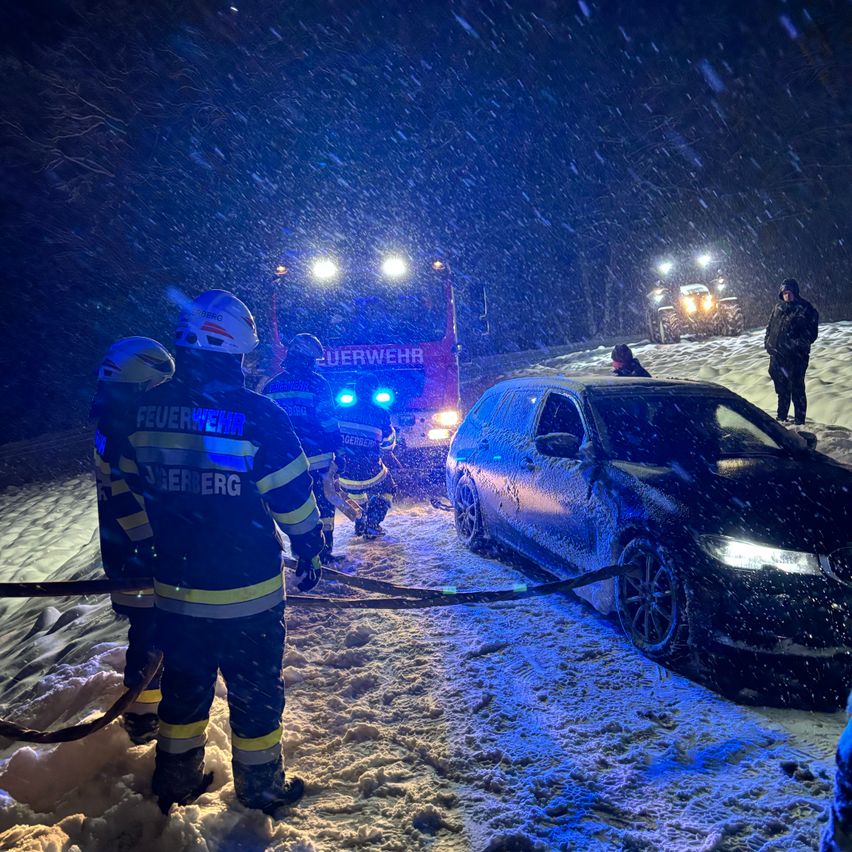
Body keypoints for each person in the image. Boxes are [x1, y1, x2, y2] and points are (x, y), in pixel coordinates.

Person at [118, 290, 324, 814]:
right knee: (255, 694)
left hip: (178, 591)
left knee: (183, 690)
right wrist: (308, 545)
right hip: (247, 593)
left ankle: (175, 779)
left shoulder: (145, 411)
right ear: (235, 349)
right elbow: (292, 499)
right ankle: (259, 789)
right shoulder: (257, 414)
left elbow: (131, 489)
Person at [92, 337, 174, 745]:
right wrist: (155, 548)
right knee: (151, 632)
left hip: (122, 548)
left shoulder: (109, 417)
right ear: (141, 382)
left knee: (149, 629)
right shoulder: (126, 426)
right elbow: (128, 498)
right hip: (140, 552)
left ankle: (146, 708)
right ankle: (144, 717)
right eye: (157, 385)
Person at [263, 333, 343, 563]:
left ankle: (303, 552)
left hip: (285, 461)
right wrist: (340, 450)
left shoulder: (272, 385)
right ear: (308, 359)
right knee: (323, 505)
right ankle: (324, 552)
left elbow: (266, 425)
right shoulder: (318, 383)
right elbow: (328, 421)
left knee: (297, 506)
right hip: (317, 457)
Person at [337, 373, 397, 538]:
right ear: (374, 391)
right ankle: (372, 524)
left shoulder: (340, 411)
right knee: (389, 487)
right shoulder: (380, 413)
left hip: (344, 473)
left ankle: (360, 521)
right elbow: (388, 443)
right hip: (370, 472)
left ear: (356, 391)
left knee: (356, 493)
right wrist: (384, 448)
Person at [764, 278, 819, 424]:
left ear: (795, 292)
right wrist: (768, 343)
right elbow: (770, 327)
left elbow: (810, 335)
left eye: (789, 292)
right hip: (777, 357)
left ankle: (799, 422)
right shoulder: (778, 308)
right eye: (784, 293)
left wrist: (793, 345)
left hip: (795, 359)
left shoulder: (805, 309)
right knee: (782, 390)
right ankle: (781, 417)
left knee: (797, 389)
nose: (787, 295)